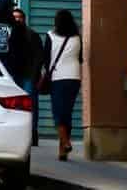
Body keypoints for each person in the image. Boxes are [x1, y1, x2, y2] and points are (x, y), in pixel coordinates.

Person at [44, 9, 82, 161]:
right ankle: (62, 151)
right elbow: (80, 58)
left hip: (58, 78)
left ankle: (65, 142)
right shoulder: (77, 37)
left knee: (58, 112)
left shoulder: (50, 36)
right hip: (74, 78)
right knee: (67, 113)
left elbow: (46, 59)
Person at [13, 6, 44, 146]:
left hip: (28, 77)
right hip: (13, 76)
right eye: (15, 17)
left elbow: (39, 57)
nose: (17, 20)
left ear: (24, 19)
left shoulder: (33, 35)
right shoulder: (9, 36)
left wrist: (34, 75)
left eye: (20, 17)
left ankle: (32, 134)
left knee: (31, 106)